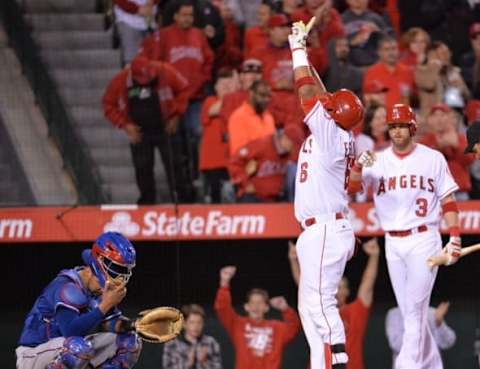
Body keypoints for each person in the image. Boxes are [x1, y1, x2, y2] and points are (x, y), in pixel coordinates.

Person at [348, 103, 462, 369]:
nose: (397, 131)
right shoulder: (377, 159)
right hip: (393, 242)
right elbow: (352, 190)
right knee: (413, 313)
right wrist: (356, 167)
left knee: (413, 309)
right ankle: (433, 366)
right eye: (393, 126)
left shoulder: (432, 158)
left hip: (424, 238)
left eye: (402, 126)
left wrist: (454, 236)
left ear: (412, 127)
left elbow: (448, 200)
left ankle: (406, 365)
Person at [288, 16, 364, 369]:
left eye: (331, 106)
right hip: (322, 229)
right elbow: (319, 93)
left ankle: (339, 356)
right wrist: (305, 45)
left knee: (321, 302)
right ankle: (322, 363)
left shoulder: (331, 134)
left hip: (325, 230)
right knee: (307, 307)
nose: (325, 104)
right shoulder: (337, 128)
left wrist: (297, 49)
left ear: (335, 115)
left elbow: (306, 91)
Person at [16, 232, 141, 369]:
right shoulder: (67, 286)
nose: (119, 277)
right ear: (99, 263)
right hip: (33, 354)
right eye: (116, 269)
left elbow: (110, 324)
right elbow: (71, 331)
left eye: (123, 271)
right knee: (76, 348)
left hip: (63, 350)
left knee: (129, 340)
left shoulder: (98, 289)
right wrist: (105, 305)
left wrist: (135, 324)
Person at [102, 55, 194, 204]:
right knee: (142, 168)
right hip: (139, 131)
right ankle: (147, 203)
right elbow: (108, 104)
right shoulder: (121, 80)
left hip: (165, 127)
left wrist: (176, 114)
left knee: (175, 165)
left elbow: (184, 89)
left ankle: (182, 201)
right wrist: (124, 125)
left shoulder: (164, 70)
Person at [288, 238, 381, 369]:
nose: (337, 290)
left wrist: (374, 256)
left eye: (341, 287)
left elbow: (368, 282)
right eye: (334, 286)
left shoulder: (355, 311)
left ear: (348, 291)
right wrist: (294, 260)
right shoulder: (318, 308)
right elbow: (304, 284)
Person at [214, 266, 301, 369]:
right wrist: (224, 283)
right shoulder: (237, 324)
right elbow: (222, 308)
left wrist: (285, 309)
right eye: (253, 303)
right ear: (246, 307)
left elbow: (294, 327)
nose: (256, 306)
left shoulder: (276, 328)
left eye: (260, 303)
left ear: (266, 308)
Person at [228, 126, 304, 202]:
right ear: (285, 138)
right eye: (292, 144)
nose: (293, 148)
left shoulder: (288, 152)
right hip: (253, 198)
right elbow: (235, 161)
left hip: (274, 199)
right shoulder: (263, 144)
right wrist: (245, 183)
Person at [386, 302, 456, 369]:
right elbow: (395, 344)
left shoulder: (432, 313)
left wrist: (439, 323)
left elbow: (448, 342)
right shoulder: (394, 314)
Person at [163, 304, 223, 369]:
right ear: (184, 324)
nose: (196, 326)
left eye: (199, 322)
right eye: (192, 322)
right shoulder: (172, 345)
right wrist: (188, 364)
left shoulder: (211, 343)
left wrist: (204, 363)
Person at [228, 80, 276, 155]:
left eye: (268, 96)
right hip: (249, 163)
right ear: (251, 93)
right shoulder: (239, 117)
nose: (266, 100)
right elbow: (240, 152)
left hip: (269, 163)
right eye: (262, 95)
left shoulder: (269, 117)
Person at [113, 0, 158, 65]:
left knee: (153, 60)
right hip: (128, 21)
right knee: (132, 61)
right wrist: (136, 9)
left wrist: (153, 1)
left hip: (150, 21)